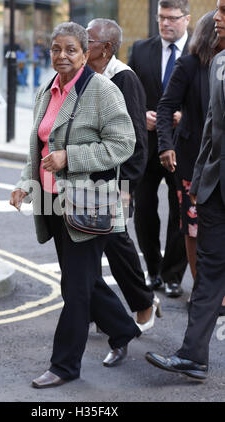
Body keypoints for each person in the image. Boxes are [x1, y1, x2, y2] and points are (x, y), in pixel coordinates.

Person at [10, 22, 141, 389]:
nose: (62, 56)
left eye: (70, 49)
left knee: (76, 289)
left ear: (86, 54)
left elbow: (122, 144)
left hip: (89, 203)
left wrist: (71, 157)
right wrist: (25, 183)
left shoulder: (103, 91)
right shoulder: (45, 91)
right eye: (55, 49)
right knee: (83, 280)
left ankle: (65, 365)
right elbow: (37, 148)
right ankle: (123, 328)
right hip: (54, 203)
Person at [145, 0, 225, 381]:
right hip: (205, 177)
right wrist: (169, 146)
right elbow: (206, 127)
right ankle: (193, 355)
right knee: (206, 266)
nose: (218, 19)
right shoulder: (205, 66)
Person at [86, 18, 161, 332]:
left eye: (87, 39)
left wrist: (126, 186)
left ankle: (144, 304)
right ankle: (98, 310)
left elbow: (136, 140)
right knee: (86, 246)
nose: (81, 41)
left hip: (116, 180)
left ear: (105, 48)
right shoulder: (85, 74)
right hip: (87, 177)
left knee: (117, 246)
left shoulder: (123, 78)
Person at [157, 10, 225, 312]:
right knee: (193, 227)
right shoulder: (189, 65)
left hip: (217, 162)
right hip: (193, 161)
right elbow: (165, 107)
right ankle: (201, 289)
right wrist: (165, 146)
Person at [128, 0, 190, 298]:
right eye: (161, 17)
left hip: (183, 146)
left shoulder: (201, 52)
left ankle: (173, 275)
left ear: (186, 19)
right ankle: (152, 270)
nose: (165, 23)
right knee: (144, 212)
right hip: (147, 145)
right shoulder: (140, 50)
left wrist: (184, 117)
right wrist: (141, 116)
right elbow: (127, 96)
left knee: (180, 211)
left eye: (172, 18)